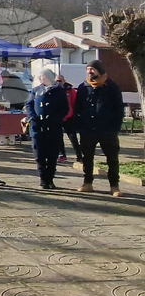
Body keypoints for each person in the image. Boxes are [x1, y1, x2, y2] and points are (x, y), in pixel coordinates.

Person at [74, 59, 125, 196]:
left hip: (107, 130)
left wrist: (115, 128)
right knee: (87, 157)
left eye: (92, 69)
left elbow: (119, 109)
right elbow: (77, 107)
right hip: (88, 129)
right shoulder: (83, 87)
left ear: (99, 70)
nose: (90, 72)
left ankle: (114, 186)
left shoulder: (111, 86)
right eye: (88, 69)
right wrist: (79, 123)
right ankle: (88, 183)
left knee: (112, 158)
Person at [25, 68, 67, 190]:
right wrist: (33, 117)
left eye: (42, 76)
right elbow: (29, 105)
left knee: (52, 155)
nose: (39, 79)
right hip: (38, 128)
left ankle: (50, 179)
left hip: (53, 128)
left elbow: (64, 108)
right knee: (40, 155)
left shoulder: (59, 90)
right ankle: (43, 179)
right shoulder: (35, 90)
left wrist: (56, 119)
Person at [55, 74, 81, 163]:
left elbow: (75, 103)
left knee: (73, 137)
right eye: (57, 81)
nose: (58, 83)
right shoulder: (53, 90)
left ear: (64, 81)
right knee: (58, 138)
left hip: (69, 117)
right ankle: (62, 155)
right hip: (58, 118)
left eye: (60, 81)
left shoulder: (70, 90)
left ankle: (79, 156)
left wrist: (75, 115)